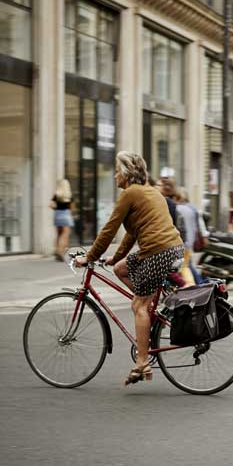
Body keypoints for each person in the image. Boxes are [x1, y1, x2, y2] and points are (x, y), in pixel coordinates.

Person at [74, 152, 183, 387]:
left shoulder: (130, 193)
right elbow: (132, 233)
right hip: (171, 249)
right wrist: (115, 258)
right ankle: (151, 306)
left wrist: (90, 257)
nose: (114, 175)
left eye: (116, 170)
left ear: (125, 173)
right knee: (122, 269)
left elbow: (109, 230)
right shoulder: (150, 192)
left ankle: (142, 363)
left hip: (158, 252)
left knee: (138, 305)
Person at [174, 187, 207, 286]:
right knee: (188, 265)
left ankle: (193, 285)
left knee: (184, 267)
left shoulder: (178, 209)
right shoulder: (192, 209)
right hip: (190, 241)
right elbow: (198, 226)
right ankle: (199, 284)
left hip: (181, 242)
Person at [50, 179, 75, 261]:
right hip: (66, 214)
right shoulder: (69, 196)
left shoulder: (56, 195)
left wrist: (57, 209)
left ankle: (56, 250)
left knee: (58, 234)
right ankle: (61, 252)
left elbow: (51, 205)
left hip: (57, 214)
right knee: (65, 235)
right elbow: (72, 208)